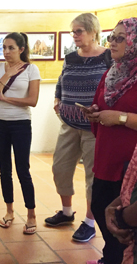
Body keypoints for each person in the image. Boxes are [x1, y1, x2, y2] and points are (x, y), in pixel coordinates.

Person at [45, 13, 111, 242]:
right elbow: (61, 80)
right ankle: (66, 212)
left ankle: (90, 222)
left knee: (93, 176)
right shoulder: (71, 57)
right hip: (69, 123)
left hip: (95, 127)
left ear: (93, 31)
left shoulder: (108, 57)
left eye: (79, 31)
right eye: (73, 31)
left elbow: (112, 87)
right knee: (60, 168)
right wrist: (57, 100)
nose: (75, 35)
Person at [84, 18, 137, 264]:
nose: (112, 43)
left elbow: (119, 114)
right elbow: (101, 105)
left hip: (130, 162)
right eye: (111, 37)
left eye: (120, 38)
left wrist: (120, 118)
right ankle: (111, 256)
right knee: (100, 205)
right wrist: (93, 112)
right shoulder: (111, 73)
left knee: (123, 217)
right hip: (106, 155)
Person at [0, 32, 40, 235]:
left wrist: (8, 100)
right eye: (4, 48)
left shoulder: (32, 69)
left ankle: (31, 214)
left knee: (23, 170)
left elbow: (32, 100)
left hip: (21, 124)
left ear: (21, 49)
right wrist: (6, 76)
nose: (6, 52)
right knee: (4, 169)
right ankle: (9, 211)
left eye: (11, 48)